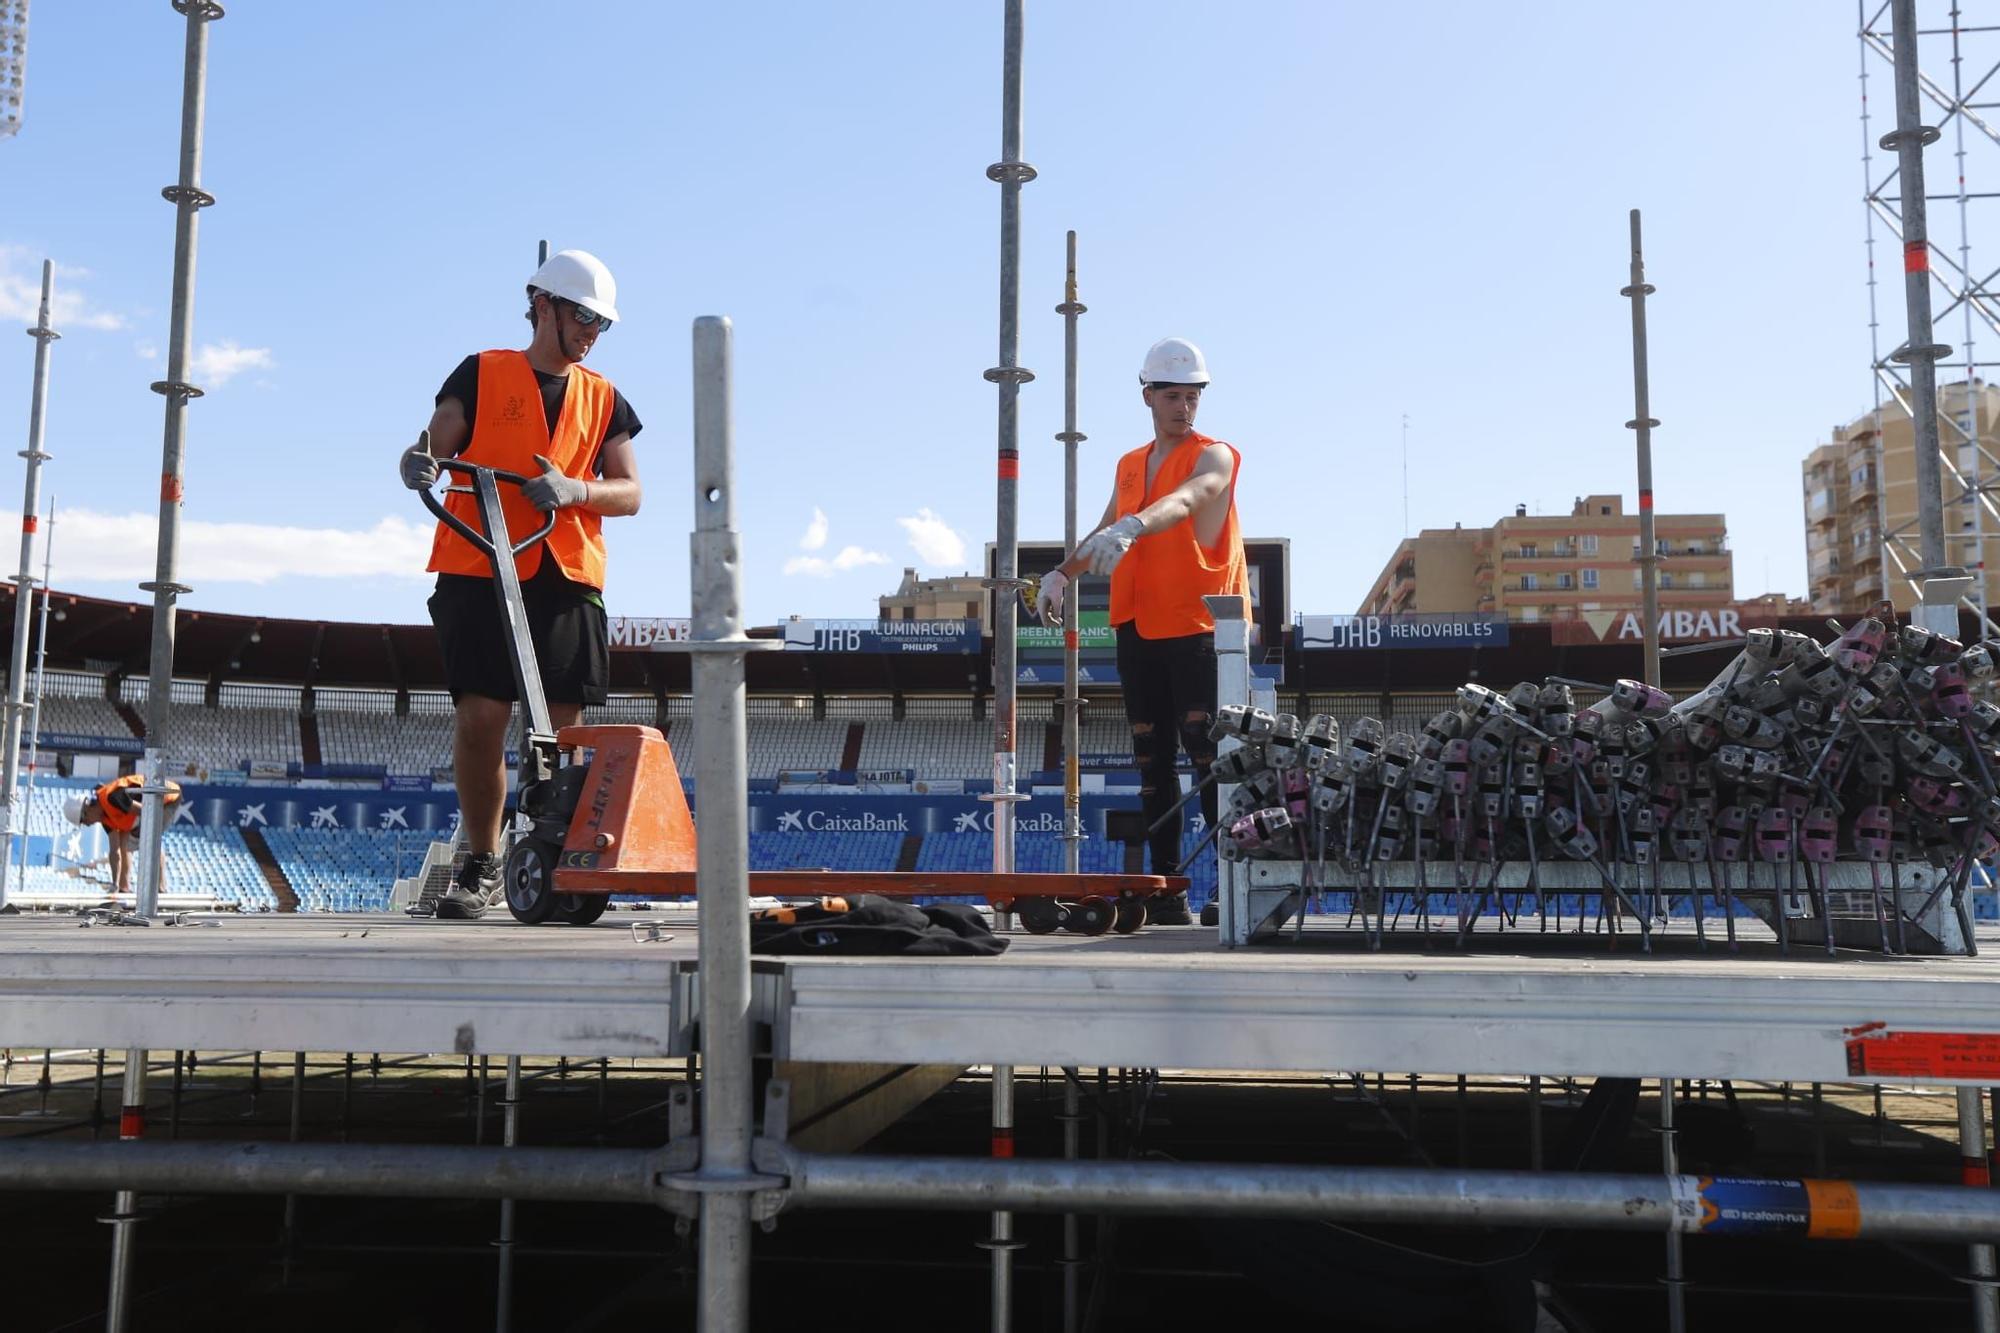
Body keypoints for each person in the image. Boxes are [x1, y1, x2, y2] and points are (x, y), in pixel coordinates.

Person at [398, 249, 644, 920]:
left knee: (563, 730)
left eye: (602, 323)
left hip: (563, 573)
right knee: (482, 717)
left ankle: (558, 853)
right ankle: (481, 861)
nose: (592, 332)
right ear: (545, 306)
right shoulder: (482, 372)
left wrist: (575, 489)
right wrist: (417, 462)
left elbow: (630, 492)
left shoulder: (604, 398)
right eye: (585, 316)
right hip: (480, 564)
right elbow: (436, 441)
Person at [1036, 337, 1248, 924]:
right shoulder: (1131, 463)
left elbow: (1189, 499)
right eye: (1172, 395)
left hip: (1199, 625)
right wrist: (1062, 572)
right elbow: (1108, 525)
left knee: (1210, 760)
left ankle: (1228, 887)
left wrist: (1132, 525)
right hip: (1138, 624)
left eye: (1192, 396)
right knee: (1151, 761)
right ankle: (1168, 893)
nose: (1184, 407)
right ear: (1148, 395)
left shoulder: (1216, 454)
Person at [64, 774, 184, 896]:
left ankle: (161, 889)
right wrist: (114, 883)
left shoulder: (113, 797)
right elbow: (114, 852)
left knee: (146, 837)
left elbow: (148, 812)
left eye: (84, 821)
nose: (88, 825)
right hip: (150, 802)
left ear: (88, 809)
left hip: (168, 797)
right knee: (125, 843)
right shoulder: (104, 817)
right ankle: (123, 887)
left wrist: (147, 840)